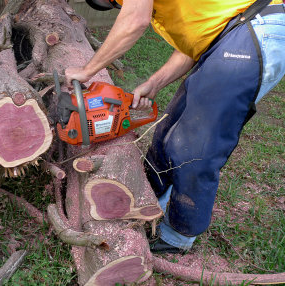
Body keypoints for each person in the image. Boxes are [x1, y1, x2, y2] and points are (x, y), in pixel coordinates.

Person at [65, 0, 285, 253]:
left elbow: (135, 21)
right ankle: (147, 208)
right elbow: (191, 48)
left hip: (253, 28)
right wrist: (155, 83)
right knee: (167, 132)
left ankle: (177, 237)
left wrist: (87, 70)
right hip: (228, 37)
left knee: (196, 144)